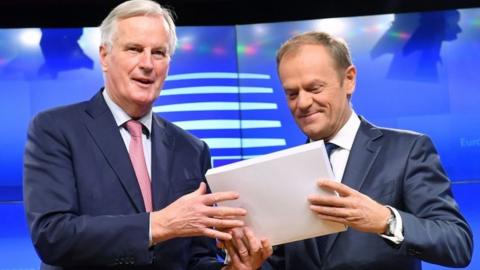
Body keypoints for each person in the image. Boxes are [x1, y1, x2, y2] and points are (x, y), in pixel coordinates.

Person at [23, 0, 271, 269]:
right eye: (134, 49)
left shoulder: (193, 149)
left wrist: (232, 268)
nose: (147, 64)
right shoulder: (55, 129)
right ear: (105, 56)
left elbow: (198, 257)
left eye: (159, 53)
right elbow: (53, 236)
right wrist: (160, 224)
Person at [262, 31, 473, 269]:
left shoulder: (407, 151)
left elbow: (457, 243)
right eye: (292, 93)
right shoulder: (284, 170)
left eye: (315, 88)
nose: (302, 103)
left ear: (349, 79)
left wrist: (386, 220)